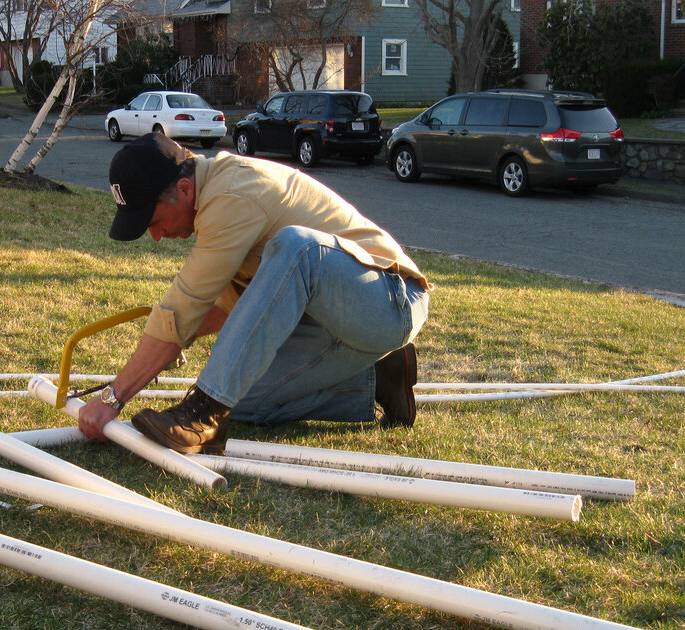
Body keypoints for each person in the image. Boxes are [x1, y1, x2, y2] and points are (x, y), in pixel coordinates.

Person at [76, 132, 431, 455]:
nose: (155, 236)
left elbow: (181, 309)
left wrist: (112, 399)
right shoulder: (215, 203)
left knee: (297, 246)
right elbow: (233, 307)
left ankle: (203, 414)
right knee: (241, 401)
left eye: (153, 222)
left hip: (392, 300)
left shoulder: (231, 195)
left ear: (184, 189)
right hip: (337, 319)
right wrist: (177, 340)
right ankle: (379, 375)